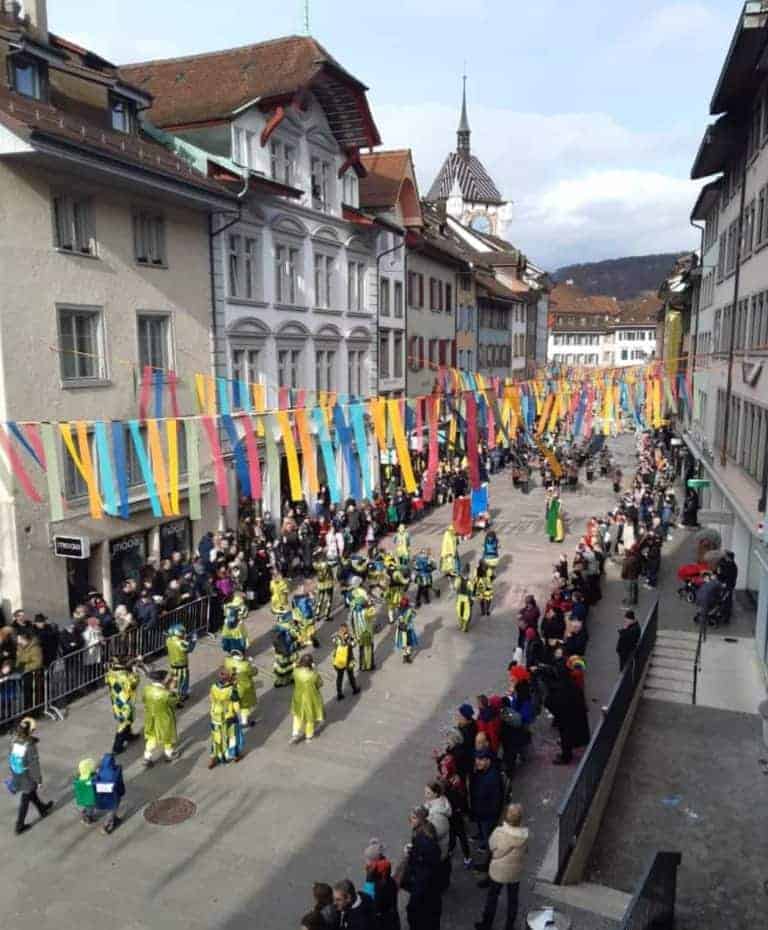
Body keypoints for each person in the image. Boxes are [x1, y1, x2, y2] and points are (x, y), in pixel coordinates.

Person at [474, 803, 528, 930]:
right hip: (515, 872)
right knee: (513, 900)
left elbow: (492, 846)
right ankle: (509, 926)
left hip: (498, 871)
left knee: (492, 897)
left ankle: (487, 924)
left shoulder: (499, 832)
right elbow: (525, 851)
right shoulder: (525, 836)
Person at [399, 806, 442, 930]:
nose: (410, 820)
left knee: (416, 913)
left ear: (421, 819)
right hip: (427, 883)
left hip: (424, 885)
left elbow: (425, 864)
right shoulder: (424, 831)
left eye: (413, 818)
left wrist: (412, 855)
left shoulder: (424, 840)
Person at [8, 717, 53, 835]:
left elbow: (12, 759)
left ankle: (42, 809)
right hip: (27, 776)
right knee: (26, 798)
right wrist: (38, 780)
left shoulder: (14, 741)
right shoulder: (30, 746)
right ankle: (19, 825)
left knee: (31, 793)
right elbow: (34, 765)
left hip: (17, 773)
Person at [469, 750, 504, 863]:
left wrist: (490, 816)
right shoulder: (481, 771)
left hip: (487, 816)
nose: (477, 762)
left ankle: (489, 863)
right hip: (481, 812)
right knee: (486, 836)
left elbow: (496, 801)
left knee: (489, 838)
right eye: (477, 759)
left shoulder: (493, 777)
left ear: (488, 761)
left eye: (481, 760)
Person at [141, 670, 180, 766]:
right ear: (163, 680)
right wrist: (173, 689)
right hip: (164, 718)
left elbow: (144, 700)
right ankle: (169, 753)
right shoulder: (166, 694)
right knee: (167, 736)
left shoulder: (146, 689)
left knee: (152, 736)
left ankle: (147, 756)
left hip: (150, 717)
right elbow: (175, 702)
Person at [105, 654, 141, 754]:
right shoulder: (124, 676)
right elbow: (134, 683)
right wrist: (134, 671)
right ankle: (117, 747)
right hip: (125, 702)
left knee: (126, 720)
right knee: (124, 723)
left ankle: (129, 735)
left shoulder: (111, 672)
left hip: (116, 700)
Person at [208, 667, 243, 768]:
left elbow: (211, 698)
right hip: (229, 715)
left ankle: (215, 756)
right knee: (233, 736)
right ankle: (233, 755)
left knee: (216, 736)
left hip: (215, 714)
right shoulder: (231, 689)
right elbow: (236, 704)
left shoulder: (213, 686)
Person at [362, 839, 400, 930]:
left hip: (382, 923)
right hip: (392, 919)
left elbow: (369, 903)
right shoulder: (389, 880)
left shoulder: (375, 886)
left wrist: (369, 880)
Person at [424, 781, 453, 892]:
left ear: (435, 794)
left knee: (439, 869)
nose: (425, 795)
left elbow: (435, 833)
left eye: (428, 793)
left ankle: (440, 887)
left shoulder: (437, 814)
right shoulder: (437, 804)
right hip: (441, 847)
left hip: (439, 848)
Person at [291, 653, 324, 744]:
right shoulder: (313, 674)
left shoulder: (296, 672)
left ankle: (295, 733)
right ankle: (308, 736)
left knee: (297, 716)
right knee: (309, 718)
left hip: (298, 697)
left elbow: (293, 674)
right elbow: (320, 684)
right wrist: (315, 669)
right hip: (311, 698)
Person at [224, 650, 259, 728]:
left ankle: (230, 717)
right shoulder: (245, 665)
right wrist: (252, 664)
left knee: (232, 703)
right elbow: (254, 672)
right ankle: (244, 721)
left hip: (232, 686)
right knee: (245, 705)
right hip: (244, 688)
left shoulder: (227, 661)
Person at [93, 752, 125, 834]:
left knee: (109, 809)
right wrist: (121, 792)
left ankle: (113, 819)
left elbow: (95, 781)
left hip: (102, 796)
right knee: (112, 810)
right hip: (113, 796)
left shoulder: (100, 771)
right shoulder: (114, 773)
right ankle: (107, 826)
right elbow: (119, 784)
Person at [165, 624, 196, 706]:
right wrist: (193, 640)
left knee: (174, 682)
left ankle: (175, 695)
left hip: (173, 665)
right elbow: (190, 649)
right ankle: (179, 700)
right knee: (181, 683)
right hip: (181, 666)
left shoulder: (168, 640)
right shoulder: (181, 643)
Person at [349, 584, 375, 671]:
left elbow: (351, 603)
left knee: (361, 649)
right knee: (368, 649)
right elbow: (373, 612)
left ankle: (362, 666)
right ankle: (369, 666)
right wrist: (371, 604)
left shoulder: (354, 612)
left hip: (358, 633)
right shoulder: (366, 612)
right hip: (367, 633)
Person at [332, 623, 360, 701]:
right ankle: (355, 689)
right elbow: (353, 644)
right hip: (349, 660)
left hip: (339, 660)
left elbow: (334, 642)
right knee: (351, 675)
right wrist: (353, 639)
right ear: (346, 629)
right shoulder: (349, 637)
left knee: (339, 677)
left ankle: (339, 693)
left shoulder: (336, 637)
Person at [72, 757, 98, 825]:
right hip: (90, 798)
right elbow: (95, 782)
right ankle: (88, 818)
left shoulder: (78, 777)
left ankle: (85, 813)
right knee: (90, 808)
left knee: (87, 806)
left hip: (83, 797)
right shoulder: (91, 779)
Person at [394, 596, 419, 664]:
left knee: (403, 643)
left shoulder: (398, 610)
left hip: (401, 629)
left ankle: (405, 655)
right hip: (408, 629)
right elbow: (414, 615)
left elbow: (398, 615)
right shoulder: (409, 610)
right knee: (409, 643)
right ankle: (407, 656)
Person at [313, 551, 335, 625]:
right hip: (328, 583)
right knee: (329, 599)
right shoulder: (326, 563)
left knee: (320, 599)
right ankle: (326, 615)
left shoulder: (315, 564)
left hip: (320, 583)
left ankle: (317, 614)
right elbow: (334, 563)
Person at [455, 564, 475, 633]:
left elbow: (456, 587)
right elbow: (472, 590)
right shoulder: (470, 581)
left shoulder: (458, 579)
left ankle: (461, 624)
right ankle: (464, 626)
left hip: (460, 598)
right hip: (466, 599)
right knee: (467, 613)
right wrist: (472, 599)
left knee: (460, 611)